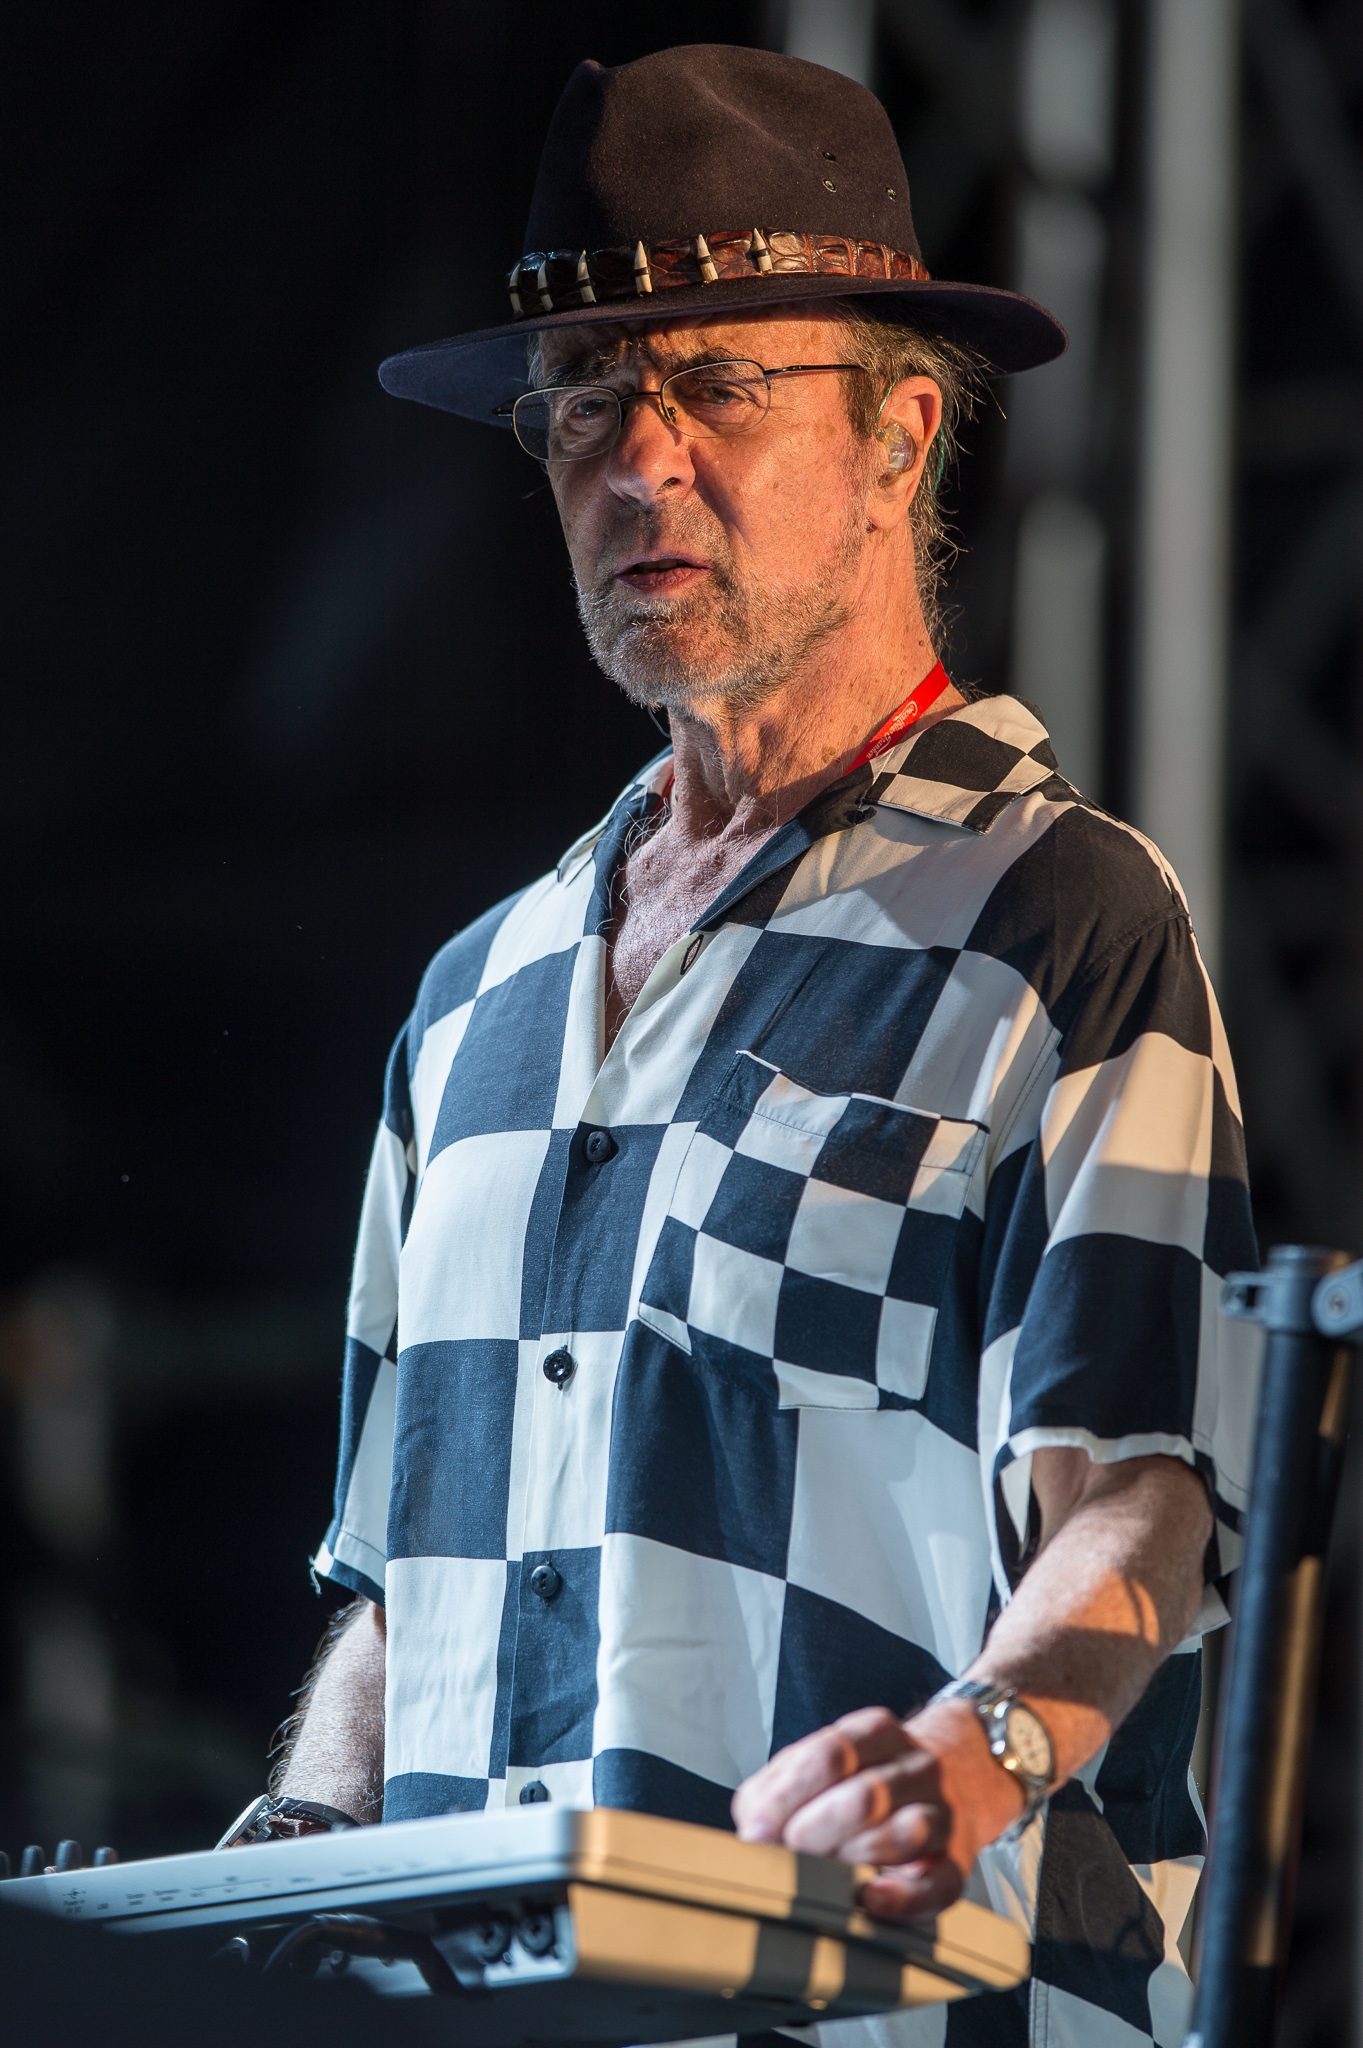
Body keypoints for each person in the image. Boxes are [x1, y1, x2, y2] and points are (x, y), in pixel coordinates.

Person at [255, 45, 1259, 2048]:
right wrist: (297, 1835)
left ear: (900, 434)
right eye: (583, 402)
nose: (637, 462)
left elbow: (1147, 1494)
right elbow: (402, 1569)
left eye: (714, 386)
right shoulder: (474, 1002)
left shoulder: (1055, 925)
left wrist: (976, 1750)